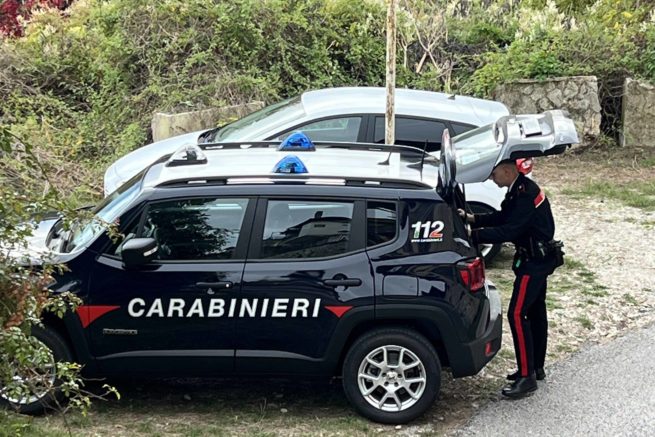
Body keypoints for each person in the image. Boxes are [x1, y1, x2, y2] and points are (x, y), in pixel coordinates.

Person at [459, 160, 563, 399]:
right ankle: (535, 367)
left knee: (517, 314)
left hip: (534, 262)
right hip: (536, 258)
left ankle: (527, 378)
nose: (492, 179)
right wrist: (473, 219)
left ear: (507, 171)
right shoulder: (519, 189)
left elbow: (510, 230)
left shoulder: (525, 194)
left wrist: (473, 235)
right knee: (536, 311)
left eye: (494, 174)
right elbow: (503, 216)